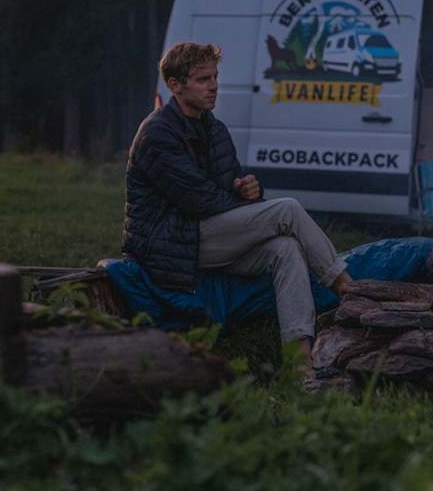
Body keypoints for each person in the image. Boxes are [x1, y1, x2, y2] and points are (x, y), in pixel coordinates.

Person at [123, 41, 353, 373]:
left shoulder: (213, 128)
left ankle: (300, 360)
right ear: (175, 85)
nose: (214, 86)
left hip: (206, 235)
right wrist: (238, 198)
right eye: (203, 79)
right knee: (286, 210)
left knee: (285, 248)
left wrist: (247, 188)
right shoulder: (158, 133)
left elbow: (227, 185)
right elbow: (200, 201)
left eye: (215, 77)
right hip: (169, 243)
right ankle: (345, 286)